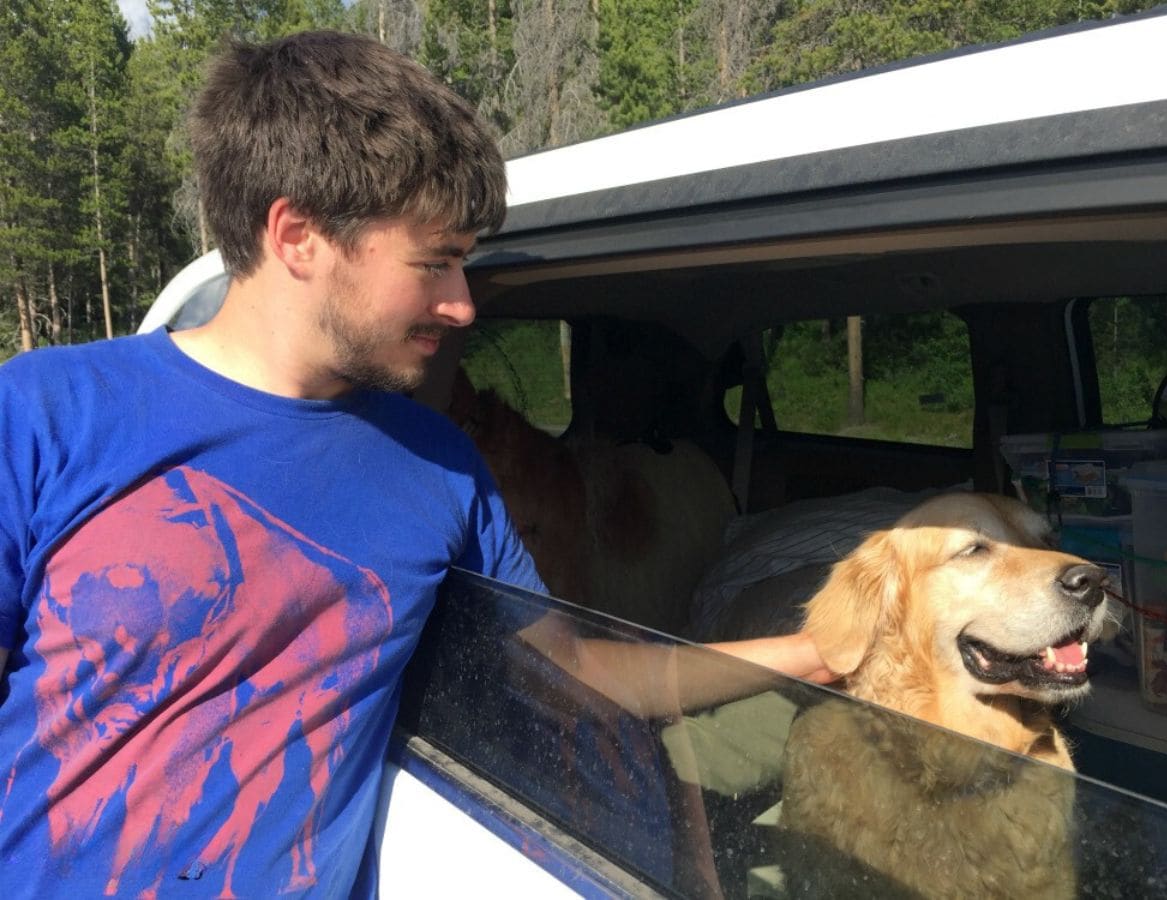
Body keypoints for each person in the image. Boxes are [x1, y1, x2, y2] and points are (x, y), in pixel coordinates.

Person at [0, 30, 831, 898]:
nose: (464, 305)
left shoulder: (442, 467)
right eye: (434, 262)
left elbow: (579, 676)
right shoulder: (47, 414)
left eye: (464, 265)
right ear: (297, 235)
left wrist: (812, 651)